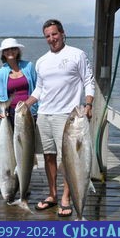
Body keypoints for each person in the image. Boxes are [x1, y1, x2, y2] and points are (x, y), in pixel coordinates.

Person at [24, 19, 95, 217]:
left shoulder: (77, 54)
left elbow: (89, 81)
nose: (51, 39)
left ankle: (66, 198)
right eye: (47, 36)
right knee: (48, 156)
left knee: (68, 159)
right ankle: (52, 194)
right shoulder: (42, 61)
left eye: (54, 34)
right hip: (44, 115)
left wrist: (88, 104)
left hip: (68, 116)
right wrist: (27, 103)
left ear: (62, 33)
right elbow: (39, 89)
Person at [0, 38, 38, 125]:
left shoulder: (29, 66)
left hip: (31, 111)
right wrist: (4, 111)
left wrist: (39, 109)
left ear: (18, 51)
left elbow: (38, 88)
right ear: (3, 53)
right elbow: (2, 96)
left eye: (13, 48)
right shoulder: (0, 73)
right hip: (12, 114)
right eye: (6, 49)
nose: (10, 51)